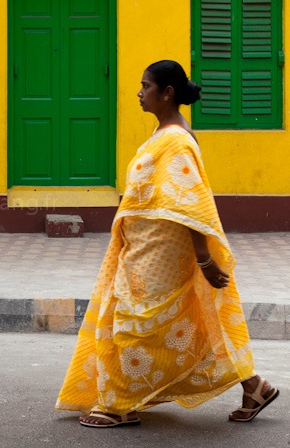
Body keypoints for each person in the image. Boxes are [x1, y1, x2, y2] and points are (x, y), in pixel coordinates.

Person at [56, 60, 278, 428]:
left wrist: (204, 259)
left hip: (161, 251)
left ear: (167, 93)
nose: (139, 92)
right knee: (163, 320)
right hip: (144, 246)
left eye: (146, 86)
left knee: (133, 321)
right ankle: (255, 387)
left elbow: (191, 202)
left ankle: (119, 405)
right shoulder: (165, 135)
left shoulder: (176, 140)